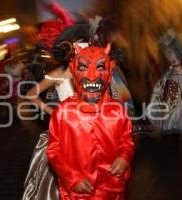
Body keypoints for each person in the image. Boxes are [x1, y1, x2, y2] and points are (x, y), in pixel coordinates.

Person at [47, 44, 134, 200]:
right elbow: (54, 150)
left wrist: (124, 157)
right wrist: (72, 178)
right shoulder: (63, 112)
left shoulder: (117, 110)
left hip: (111, 189)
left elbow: (126, 140)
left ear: (109, 73)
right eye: (83, 68)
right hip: (79, 193)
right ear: (74, 73)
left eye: (100, 67)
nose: (92, 76)